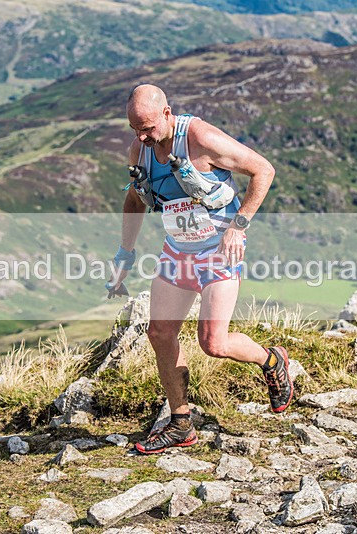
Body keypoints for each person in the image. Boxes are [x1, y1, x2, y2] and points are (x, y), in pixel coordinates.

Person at [106, 84, 293, 455]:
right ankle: (180, 423)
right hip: (178, 252)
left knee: (214, 344)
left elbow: (263, 170)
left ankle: (272, 360)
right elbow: (134, 199)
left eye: (147, 127)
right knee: (159, 334)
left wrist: (238, 227)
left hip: (219, 251)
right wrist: (124, 254)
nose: (142, 137)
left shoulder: (200, 137)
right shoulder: (140, 150)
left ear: (166, 113)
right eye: (134, 129)